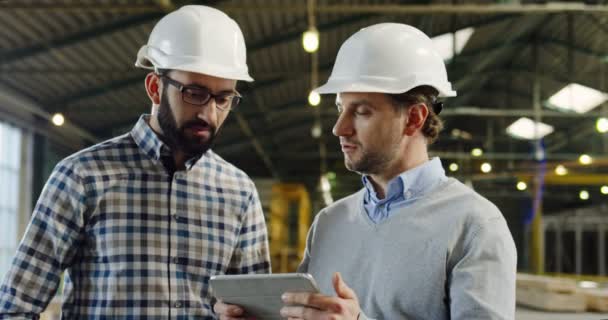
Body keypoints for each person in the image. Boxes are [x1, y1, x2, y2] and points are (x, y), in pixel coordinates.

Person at [215, 23, 516, 320]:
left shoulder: (475, 225)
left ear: (413, 118)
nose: (339, 128)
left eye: (361, 112)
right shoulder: (329, 223)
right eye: (340, 108)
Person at [0, 5, 270, 319]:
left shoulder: (239, 192)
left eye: (223, 98)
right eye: (194, 93)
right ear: (156, 88)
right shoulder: (82, 176)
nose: (209, 114)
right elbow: (15, 308)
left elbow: (258, 312)